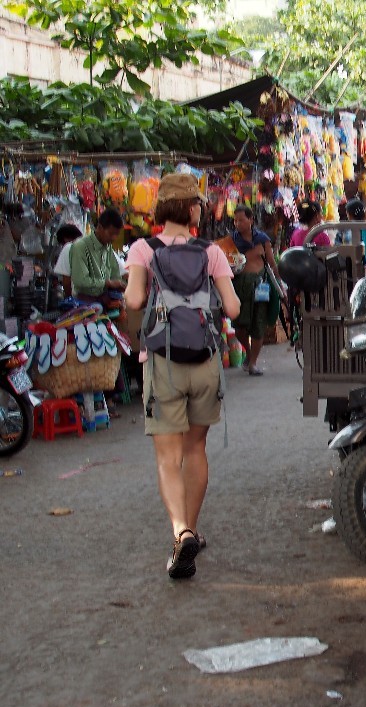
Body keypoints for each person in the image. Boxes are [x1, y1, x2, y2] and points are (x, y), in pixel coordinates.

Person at [124, 172, 241, 580]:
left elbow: (136, 299)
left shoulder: (142, 249)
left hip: (164, 363)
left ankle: (181, 532)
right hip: (205, 362)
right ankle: (192, 531)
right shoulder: (211, 251)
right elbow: (234, 308)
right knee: (195, 450)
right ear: (193, 208)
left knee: (168, 457)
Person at [232, 205, 282, 376]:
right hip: (239, 287)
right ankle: (248, 351)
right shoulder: (231, 241)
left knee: (259, 325)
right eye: (235, 220)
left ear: (251, 219)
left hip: (260, 287)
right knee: (239, 326)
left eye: (241, 220)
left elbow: (271, 263)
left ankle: (253, 362)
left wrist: (280, 283)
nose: (238, 223)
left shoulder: (262, 239)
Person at [68, 209, 126, 302]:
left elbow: (115, 273)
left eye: (117, 234)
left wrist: (120, 285)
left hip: (104, 299)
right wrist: (108, 283)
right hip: (84, 302)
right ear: (99, 228)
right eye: (111, 234)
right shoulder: (80, 247)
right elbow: (80, 280)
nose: (114, 238)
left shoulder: (108, 247)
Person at [52, 223, 83, 296]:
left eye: (62, 244)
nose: (62, 246)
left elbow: (66, 281)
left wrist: (68, 299)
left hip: (81, 300)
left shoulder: (69, 247)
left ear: (65, 239)